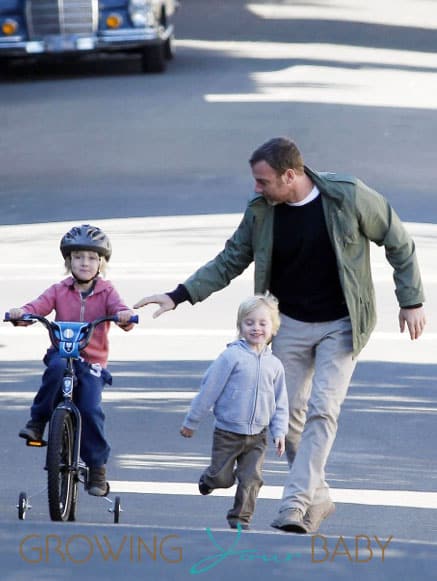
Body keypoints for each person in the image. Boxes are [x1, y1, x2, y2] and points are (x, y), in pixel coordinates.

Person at [134, 137, 426, 533]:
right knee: (285, 417)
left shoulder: (347, 197)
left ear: (291, 176)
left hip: (342, 324)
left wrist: (411, 300)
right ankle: (318, 497)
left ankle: (294, 504)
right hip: (287, 325)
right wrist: (179, 295)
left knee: (323, 410)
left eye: (263, 180)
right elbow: (229, 260)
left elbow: (398, 240)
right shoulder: (261, 212)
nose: (256, 188)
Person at [9, 224, 135, 496]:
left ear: (102, 262)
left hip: (91, 364)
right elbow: (36, 307)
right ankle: (38, 422)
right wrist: (22, 313)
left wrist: (125, 315)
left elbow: (120, 309)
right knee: (53, 371)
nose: (85, 263)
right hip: (62, 355)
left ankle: (97, 467)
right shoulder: (58, 290)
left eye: (92, 258)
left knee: (90, 409)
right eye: (78, 257)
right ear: (68, 261)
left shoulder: (107, 291)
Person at [180, 295, 288, 530]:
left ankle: (240, 520)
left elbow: (280, 402)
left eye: (262, 323)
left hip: (258, 436)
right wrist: (192, 421)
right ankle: (209, 479)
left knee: (251, 480)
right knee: (222, 478)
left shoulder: (275, 365)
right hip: (228, 433)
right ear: (240, 326)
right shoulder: (231, 357)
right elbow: (209, 390)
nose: (256, 328)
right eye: (249, 323)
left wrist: (279, 432)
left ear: (273, 328)